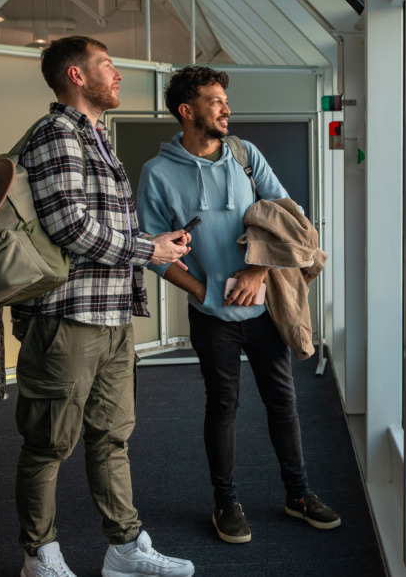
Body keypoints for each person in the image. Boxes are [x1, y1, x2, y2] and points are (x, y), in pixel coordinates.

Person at [11, 35, 195, 577]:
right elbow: (71, 227)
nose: (117, 77)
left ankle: (124, 548)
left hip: (111, 315)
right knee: (48, 443)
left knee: (112, 438)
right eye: (108, 67)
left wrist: (157, 243)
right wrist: (149, 249)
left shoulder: (96, 136)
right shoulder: (57, 134)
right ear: (75, 75)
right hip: (66, 318)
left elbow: (103, 227)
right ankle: (39, 556)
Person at [136, 65, 340, 544]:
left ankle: (299, 493)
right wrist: (205, 292)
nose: (226, 108)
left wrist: (259, 269)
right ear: (187, 111)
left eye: (225, 99)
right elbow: (152, 251)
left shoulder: (246, 156)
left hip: (266, 310)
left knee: (283, 402)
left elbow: (293, 222)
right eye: (214, 100)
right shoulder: (158, 174)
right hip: (212, 317)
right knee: (222, 406)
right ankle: (225, 502)